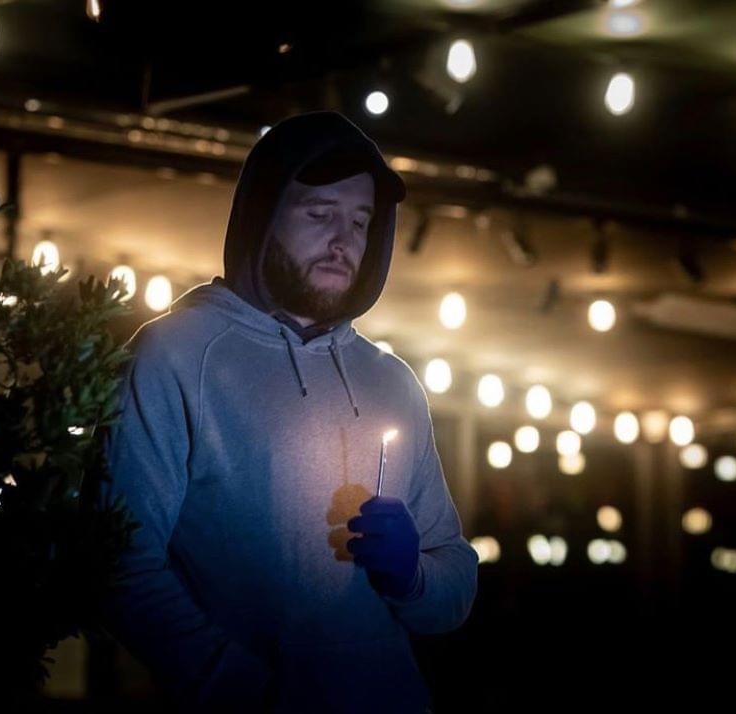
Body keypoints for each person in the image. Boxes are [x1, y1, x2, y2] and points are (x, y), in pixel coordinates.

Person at [96, 110, 478, 713]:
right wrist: (241, 687)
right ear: (261, 215)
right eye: (319, 213)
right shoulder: (176, 353)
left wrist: (413, 577)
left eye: (360, 221)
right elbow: (117, 563)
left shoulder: (393, 382)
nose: (343, 240)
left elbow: (455, 582)